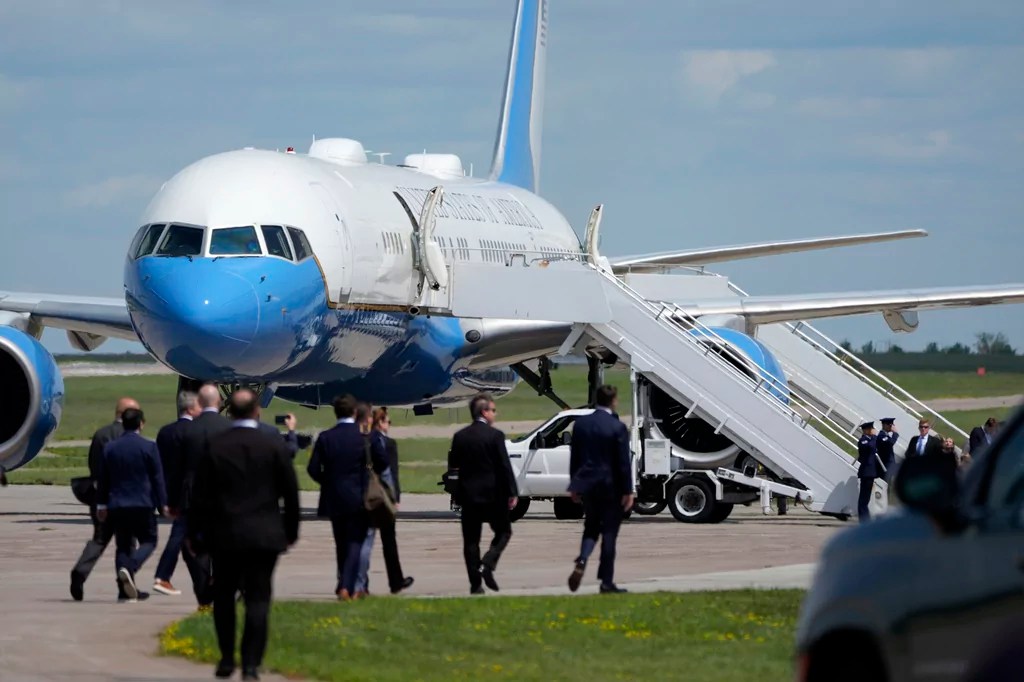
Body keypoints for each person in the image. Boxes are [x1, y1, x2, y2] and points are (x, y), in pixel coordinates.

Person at [188, 389, 299, 681]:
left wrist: (195, 535)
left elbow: (199, 496)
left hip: (224, 536)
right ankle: (250, 666)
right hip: (264, 536)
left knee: (223, 598)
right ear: (256, 412)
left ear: (231, 413)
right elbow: (290, 492)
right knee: (258, 601)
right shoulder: (272, 443)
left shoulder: (216, 445)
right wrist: (291, 532)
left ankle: (226, 658)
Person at [307, 395, 388, 601]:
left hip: (334, 498)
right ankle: (345, 585)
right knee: (355, 543)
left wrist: (328, 482)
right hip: (359, 498)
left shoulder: (326, 437)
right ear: (354, 412)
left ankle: (343, 582)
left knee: (341, 542)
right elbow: (383, 461)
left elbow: (313, 469)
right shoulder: (364, 437)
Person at [69, 396, 139, 601]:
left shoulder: (101, 434)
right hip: (126, 499)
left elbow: (93, 465)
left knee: (99, 540)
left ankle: (80, 572)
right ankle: (125, 586)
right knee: (126, 544)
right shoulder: (131, 435)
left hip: (101, 496)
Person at [566, 385, 634, 594]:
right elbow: (623, 462)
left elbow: (575, 456)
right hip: (610, 485)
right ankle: (606, 581)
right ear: (613, 400)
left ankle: (583, 558)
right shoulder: (616, 427)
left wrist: (574, 484)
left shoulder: (581, 424)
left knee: (591, 527)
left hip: (588, 484)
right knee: (609, 534)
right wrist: (628, 490)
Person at [95, 407, 168, 602]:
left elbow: (103, 479)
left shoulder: (110, 448)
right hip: (143, 503)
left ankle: (124, 590)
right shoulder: (149, 447)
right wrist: (163, 504)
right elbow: (157, 478)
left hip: (117, 504)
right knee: (149, 541)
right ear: (141, 424)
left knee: (123, 546)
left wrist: (101, 505)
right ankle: (131, 567)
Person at [448, 392, 518, 594]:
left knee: (471, 541)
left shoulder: (460, 436)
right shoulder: (495, 436)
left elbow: (453, 466)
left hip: (469, 496)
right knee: (504, 531)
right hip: (493, 495)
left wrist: (458, 491)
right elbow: (504, 466)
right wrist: (512, 492)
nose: (495, 414)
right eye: (493, 410)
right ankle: (488, 562)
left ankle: (475, 584)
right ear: (484, 412)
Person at [179, 383, 231, 608]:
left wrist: (171, 501)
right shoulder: (230, 429)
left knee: (195, 548)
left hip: (193, 499)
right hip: (225, 499)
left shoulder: (186, 430)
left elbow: (176, 470)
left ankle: (203, 595)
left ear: (198, 403)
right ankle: (219, 586)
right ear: (219, 402)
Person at [355, 407, 414, 597]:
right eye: (388, 421)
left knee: (379, 540)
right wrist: (394, 497)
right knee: (380, 540)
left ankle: (387, 581)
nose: (389, 425)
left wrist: (395, 496)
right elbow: (391, 473)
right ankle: (385, 581)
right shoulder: (378, 442)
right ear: (380, 422)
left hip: (376, 496)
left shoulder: (375, 441)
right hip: (379, 496)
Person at [152, 391, 201, 596]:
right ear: (190, 408)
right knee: (180, 534)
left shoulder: (165, 432)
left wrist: (163, 498)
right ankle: (163, 576)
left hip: (170, 491)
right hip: (191, 493)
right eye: (199, 406)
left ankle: (202, 582)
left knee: (186, 538)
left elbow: (160, 466)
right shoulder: (195, 432)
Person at [856, 421, 879, 523]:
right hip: (866, 472)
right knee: (863, 500)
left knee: (866, 498)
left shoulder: (870, 440)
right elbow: (871, 447)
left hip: (871, 472)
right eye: (870, 429)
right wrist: (874, 437)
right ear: (865, 430)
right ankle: (864, 520)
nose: (872, 430)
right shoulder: (863, 440)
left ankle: (866, 519)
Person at [876, 418, 899, 483]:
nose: (891, 426)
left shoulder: (886, 436)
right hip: (885, 467)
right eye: (889, 424)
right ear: (884, 425)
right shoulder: (881, 436)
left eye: (892, 424)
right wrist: (895, 434)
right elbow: (890, 443)